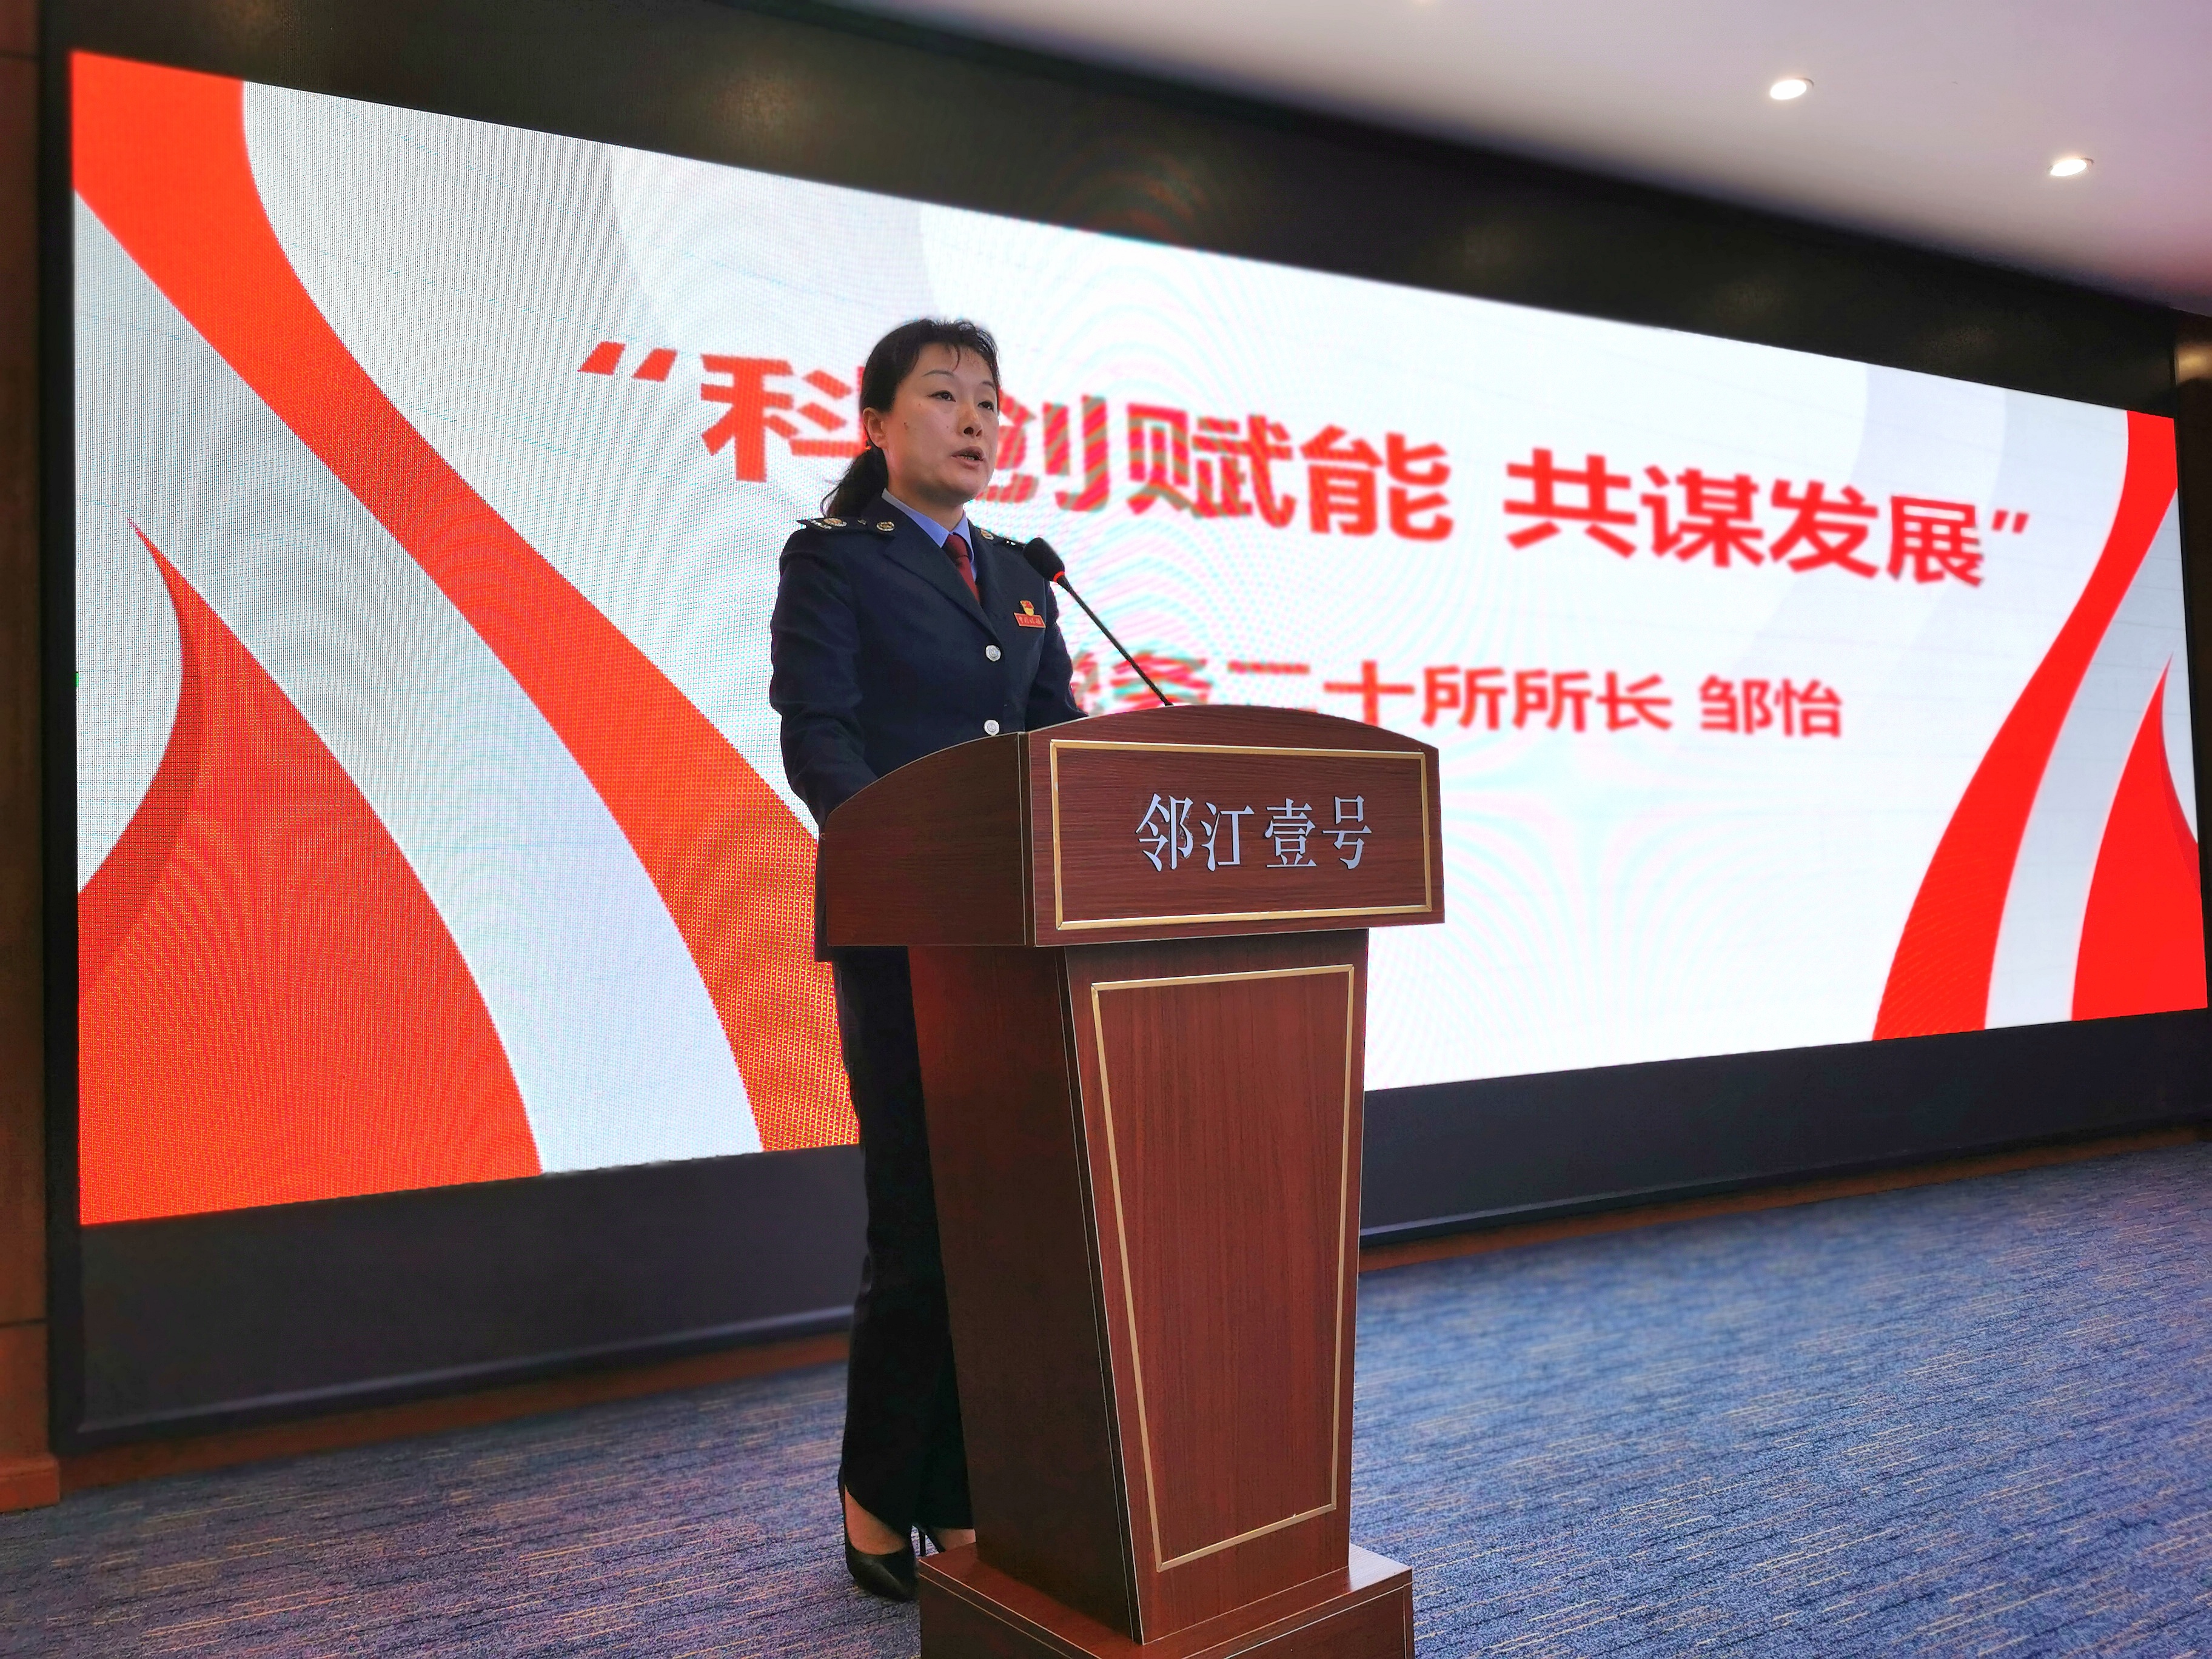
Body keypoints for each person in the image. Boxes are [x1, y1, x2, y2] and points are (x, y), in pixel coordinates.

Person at [768, 318, 1087, 1602]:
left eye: (990, 403)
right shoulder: (834, 559)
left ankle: (957, 1490)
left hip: (1018, 947)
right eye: (946, 395)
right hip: (908, 937)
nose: (975, 421)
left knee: (1004, 1228)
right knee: (921, 1225)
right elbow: (818, 735)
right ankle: (874, 1488)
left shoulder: (1020, 571)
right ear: (877, 425)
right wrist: (908, 867)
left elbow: (1061, 742)